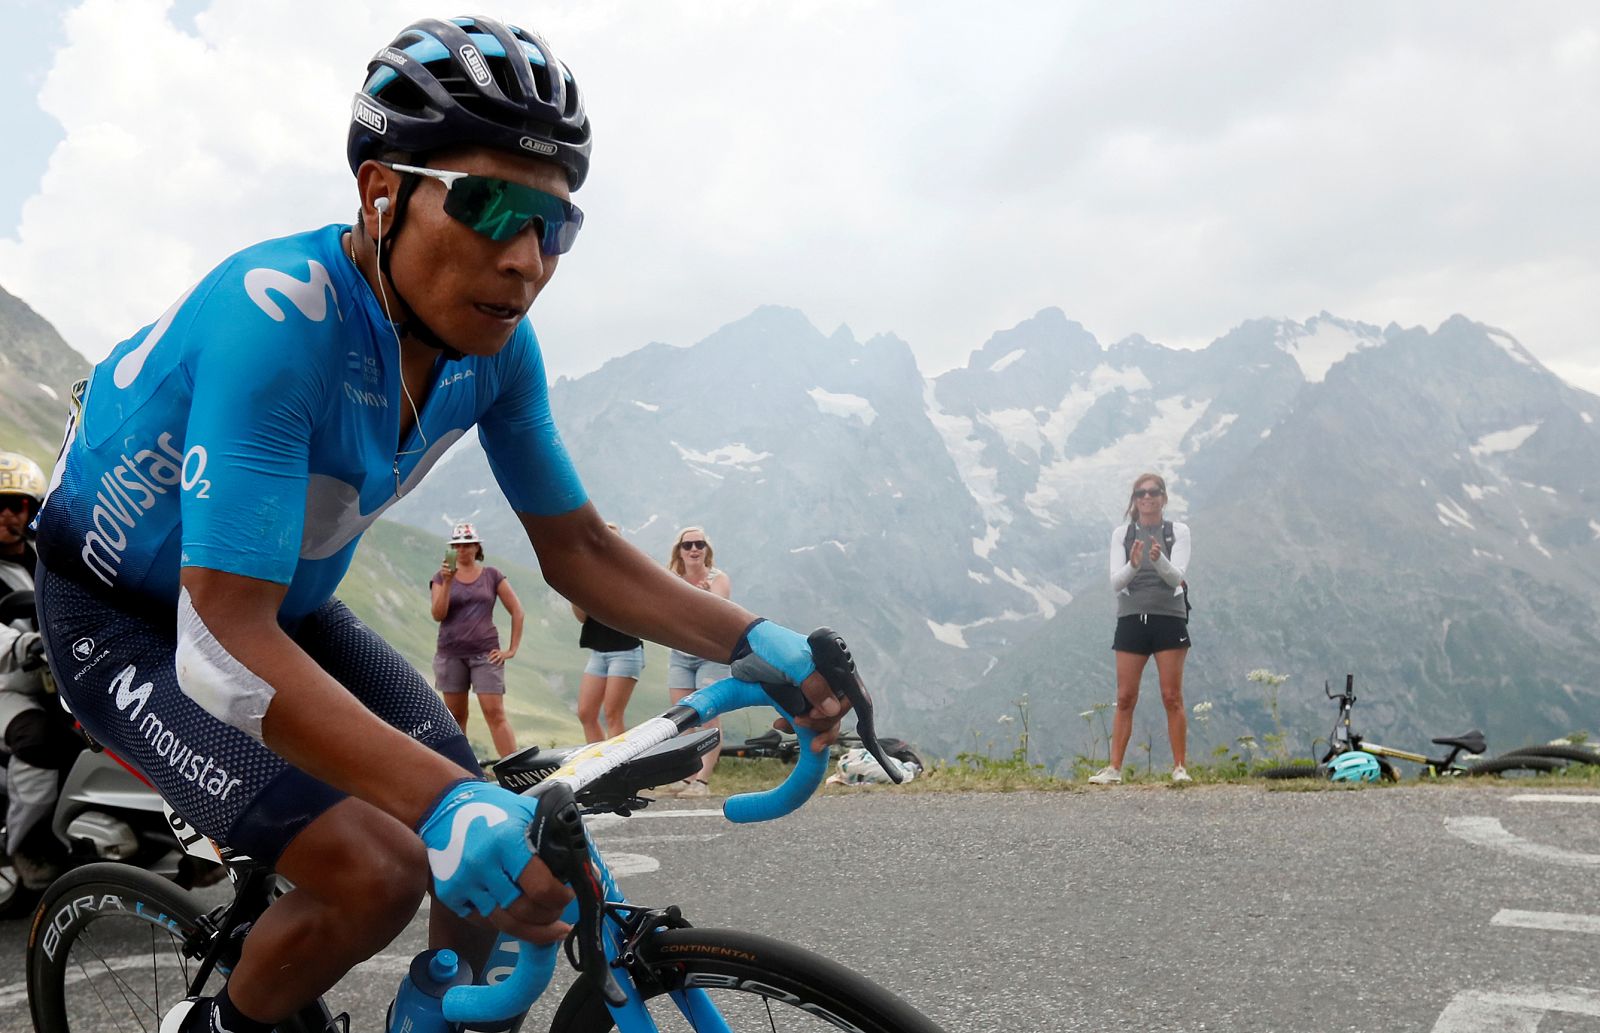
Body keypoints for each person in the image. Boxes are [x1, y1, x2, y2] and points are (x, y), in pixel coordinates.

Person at [30, 19, 850, 1033]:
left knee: (510, 875)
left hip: (280, 606)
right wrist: (441, 805)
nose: (526, 260)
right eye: (491, 208)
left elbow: (580, 550)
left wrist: (756, 640)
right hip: (135, 620)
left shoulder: (496, 348)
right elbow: (218, 647)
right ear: (383, 193)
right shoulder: (275, 319)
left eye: (555, 226)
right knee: (375, 874)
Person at [0, 452, 82, 889]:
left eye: (15, 504)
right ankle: (26, 845)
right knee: (38, 738)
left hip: (58, 675)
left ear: (30, 509)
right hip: (7, 689)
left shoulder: (46, 554)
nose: (6, 514)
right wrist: (22, 644)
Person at [1090, 473, 1193, 785]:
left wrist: (1158, 559)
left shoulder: (1178, 531)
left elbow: (1177, 578)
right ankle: (1114, 769)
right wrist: (1135, 564)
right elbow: (1115, 582)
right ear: (1134, 500)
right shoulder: (1122, 534)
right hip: (1132, 618)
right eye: (1140, 493)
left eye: (1153, 492)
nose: (1147, 498)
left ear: (1163, 497)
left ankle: (1179, 768)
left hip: (1168, 617)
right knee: (1124, 696)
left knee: (1171, 695)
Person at [430, 521, 521, 758]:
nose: (462, 550)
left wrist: (511, 650)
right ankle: (461, 770)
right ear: (451, 549)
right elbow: (438, 614)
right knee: (455, 716)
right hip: (450, 655)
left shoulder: (492, 575)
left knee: (495, 713)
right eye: (457, 545)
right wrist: (449, 582)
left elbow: (517, 610)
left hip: (486, 653)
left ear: (477, 547)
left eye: (468, 544)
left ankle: (514, 769)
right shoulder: (440, 578)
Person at [659, 526, 732, 798]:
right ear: (679, 550)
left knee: (709, 716)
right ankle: (687, 777)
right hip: (680, 654)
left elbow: (717, 609)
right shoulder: (672, 579)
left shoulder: (718, 578)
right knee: (682, 717)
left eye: (699, 544)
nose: (693, 550)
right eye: (687, 545)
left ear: (706, 550)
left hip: (711, 655)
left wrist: (705, 594)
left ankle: (703, 781)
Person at [571, 522, 643, 742]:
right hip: (599, 652)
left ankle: (619, 769)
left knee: (612, 714)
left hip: (626, 650)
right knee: (586, 713)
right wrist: (578, 591)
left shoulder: (628, 574)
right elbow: (582, 617)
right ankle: (598, 766)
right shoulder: (587, 575)